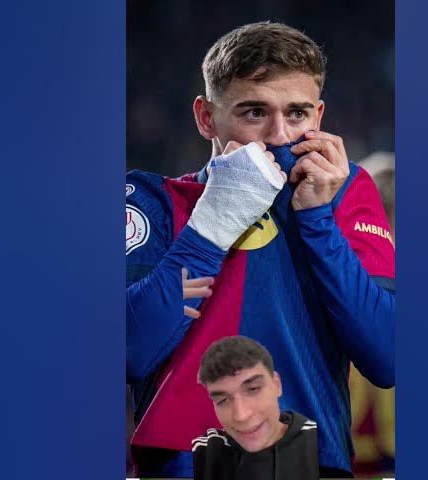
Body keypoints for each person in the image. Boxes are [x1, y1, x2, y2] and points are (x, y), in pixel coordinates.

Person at [126, 21, 395, 478]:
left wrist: (318, 221)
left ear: (318, 116)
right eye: (254, 112)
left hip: (312, 466)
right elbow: (131, 351)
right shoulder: (153, 201)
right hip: (184, 468)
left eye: (297, 114)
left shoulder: (344, 193)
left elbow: (387, 356)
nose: (280, 135)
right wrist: (211, 226)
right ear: (206, 117)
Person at [192, 335, 318, 480]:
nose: (241, 416)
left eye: (253, 389)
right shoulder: (203, 452)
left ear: (277, 385)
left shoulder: (320, 444)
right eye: (223, 400)